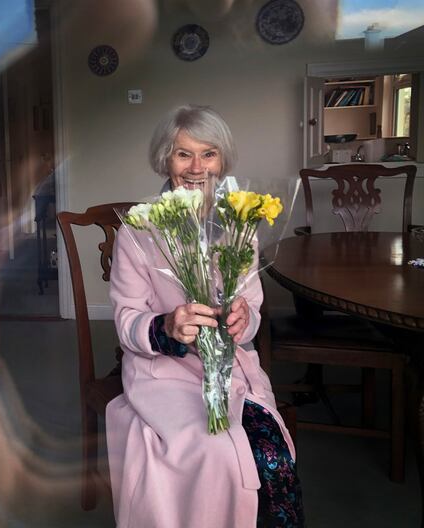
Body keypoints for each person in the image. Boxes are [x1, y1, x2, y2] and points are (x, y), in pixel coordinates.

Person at [106, 105, 304, 527]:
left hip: (232, 372)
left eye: (208, 154)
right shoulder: (137, 229)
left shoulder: (240, 222)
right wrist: (166, 326)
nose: (197, 167)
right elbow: (126, 319)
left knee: (270, 457)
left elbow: (252, 315)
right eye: (183, 154)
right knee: (212, 453)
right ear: (166, 159)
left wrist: (242, 318)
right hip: (165, 374)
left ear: (222, 160)